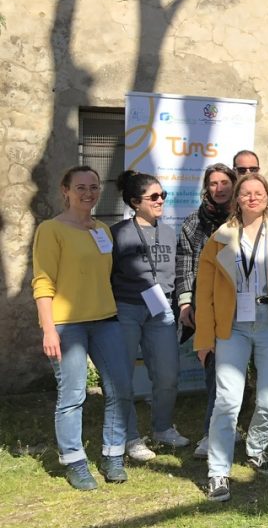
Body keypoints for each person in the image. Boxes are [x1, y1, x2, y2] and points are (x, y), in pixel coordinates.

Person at [195, 173, 268, 502]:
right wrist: (204, 338)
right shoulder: (219, 239)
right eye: (245, 193)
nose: (252, 197)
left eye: (258, 192)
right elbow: (204, 294)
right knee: (227, 400)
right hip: (232, 326)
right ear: (237, 200)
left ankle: (256, 449)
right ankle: (218, 471)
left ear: (267, 198)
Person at [33, 166, 133, 490]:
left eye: (93, 186)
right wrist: (49, 329)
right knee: (73, 394)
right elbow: (43, 282)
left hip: (105, 319)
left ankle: (113, 455)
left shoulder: (102, 229)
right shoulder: (51, 230)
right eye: (80, 187)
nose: (88, 192)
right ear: (65, 190)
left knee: (120, 388)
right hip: (66, 325)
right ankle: (74, 461)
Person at [110, 171, 187, 465]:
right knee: (123, 377)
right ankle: (129, 436)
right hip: (126, 309)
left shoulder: (168, 232)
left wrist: (182, 302)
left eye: (162, 195)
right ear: (134, 202)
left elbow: (177, 272)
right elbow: (107, 274)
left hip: (161, 310)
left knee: (167, 375)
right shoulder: (116, 233)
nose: (160, 201)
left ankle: (163, 428)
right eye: (153, 197)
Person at [176, 163, 237, 459]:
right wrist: (186, 302)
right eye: (214, 183)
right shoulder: (192, 223)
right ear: (206, 187)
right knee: (214, 368)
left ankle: (233, 425)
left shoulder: (245, 220)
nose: (220, 188)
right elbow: (185, 266)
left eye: (225, 182)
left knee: (240, 372)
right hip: (208, 304)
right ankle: (210, 431)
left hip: (243, 304)